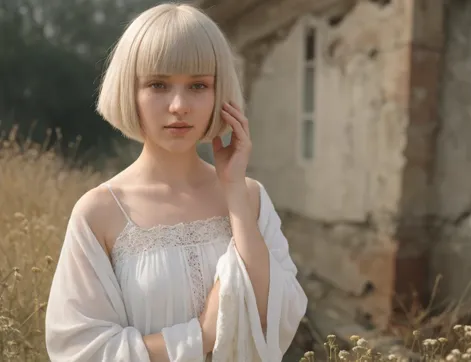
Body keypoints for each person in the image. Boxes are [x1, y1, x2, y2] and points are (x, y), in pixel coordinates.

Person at [44, 2, 308, 361]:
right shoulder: (99, 213)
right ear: (130, 92)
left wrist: (233, 190)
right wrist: (200, 336)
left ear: (219, 95)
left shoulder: (251, 196)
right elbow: (81, 351)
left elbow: (274, 319)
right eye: (158, 84)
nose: (179, 105)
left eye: (198, 85)